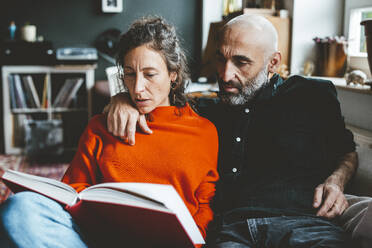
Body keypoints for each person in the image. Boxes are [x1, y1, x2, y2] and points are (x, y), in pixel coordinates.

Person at [104, 14, 368, 247]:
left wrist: (337, 181)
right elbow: (154, 94)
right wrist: (123, 100)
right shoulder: (203, 111)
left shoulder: (312, 96)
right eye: (220, 58)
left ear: (273, 63)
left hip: (305, 226)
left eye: (241, 62)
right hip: (232, 232)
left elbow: (346, 152)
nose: (225, 74)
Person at [0, 16, 219, 248]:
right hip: (98, 239)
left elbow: (205, 205)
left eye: (150, 74)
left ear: (173, 74)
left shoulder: (203, 132)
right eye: (129, 74)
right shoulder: (100, 126)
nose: (137, 88)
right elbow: (72, 191)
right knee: (20, 209)